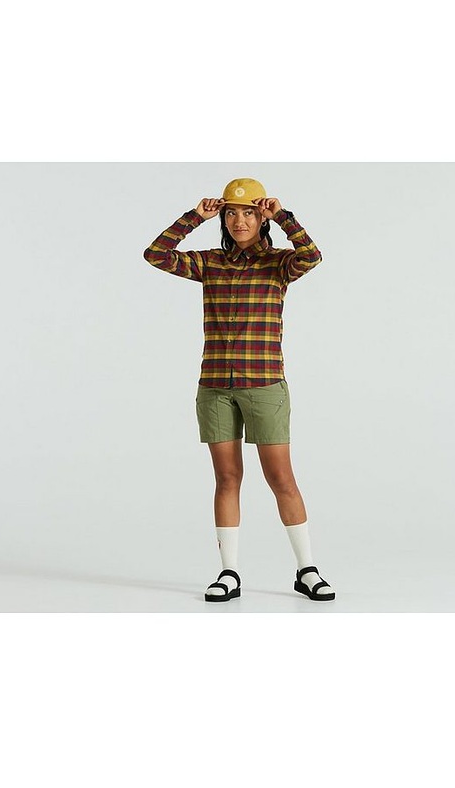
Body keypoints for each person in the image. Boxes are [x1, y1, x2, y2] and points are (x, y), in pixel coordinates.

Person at [143, 177, 335, 602]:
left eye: (248, 212)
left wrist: (282, 216)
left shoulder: (279, 264)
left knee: (281, 478)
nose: (239, 221)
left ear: (260, 218)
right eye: (232, 213)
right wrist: (195, 216)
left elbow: (312, 255)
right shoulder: (210, 263)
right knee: (227, 478)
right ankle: (228, 572)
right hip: (215, 386)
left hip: (264, 384)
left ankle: (307, 569)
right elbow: (156, 254)